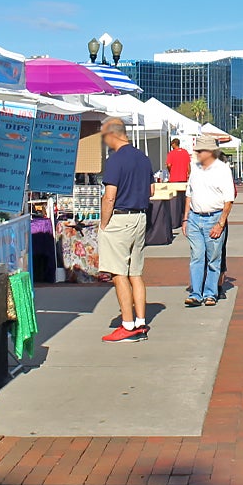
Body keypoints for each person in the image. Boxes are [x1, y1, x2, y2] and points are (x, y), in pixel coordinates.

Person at [97, 118, 154, 343]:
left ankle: (127, 324)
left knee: (118, 272)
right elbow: (150, 189)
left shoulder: (115, 160)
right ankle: (140, 322)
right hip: (140, 216)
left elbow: (110, 195)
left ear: (113, 134)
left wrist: (104, 223)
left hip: (120, 218)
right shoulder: (143, 158)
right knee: (136, 272)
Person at [184, 136, 236, 307]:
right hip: (194, 216)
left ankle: (210, 293)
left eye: (200, 151)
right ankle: (195, 293)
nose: (197, 154)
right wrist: (185, 218)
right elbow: (189, 193)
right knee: (196, 256)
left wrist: (221, 223)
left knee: (213, 258)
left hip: (214, 216)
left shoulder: (222, 170)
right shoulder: (195, 168)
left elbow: (229, 199)